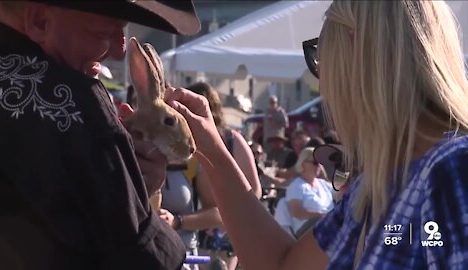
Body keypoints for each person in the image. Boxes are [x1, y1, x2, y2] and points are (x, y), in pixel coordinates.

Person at [165, 1, 468, 269]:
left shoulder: (453, 170)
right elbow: (280, 263)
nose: (322, 87)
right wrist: (209, 145)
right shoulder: (380, 187)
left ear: (358, 52)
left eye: (320, 58)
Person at [0, 1, 201, 269]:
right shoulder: (75, 102)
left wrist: (130, 185)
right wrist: (136, 202)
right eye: (103, 33)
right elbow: (140, 258)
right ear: (41, 21)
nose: (119, 50)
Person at [159, 82, 261, 270]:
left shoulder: (230, 141)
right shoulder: (189, 148)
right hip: (206, 232)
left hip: (223, 234)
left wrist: (232, 215)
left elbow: (252, 192)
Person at [285, 147, 334, 235]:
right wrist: (323, 216)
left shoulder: (324, 184)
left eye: (320, 163)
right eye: (315, 163)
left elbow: (342, 194)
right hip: (307, 232)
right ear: (303, 164)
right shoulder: (296, 186)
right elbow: (297, 212)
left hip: (327, 225)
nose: (319, 166)